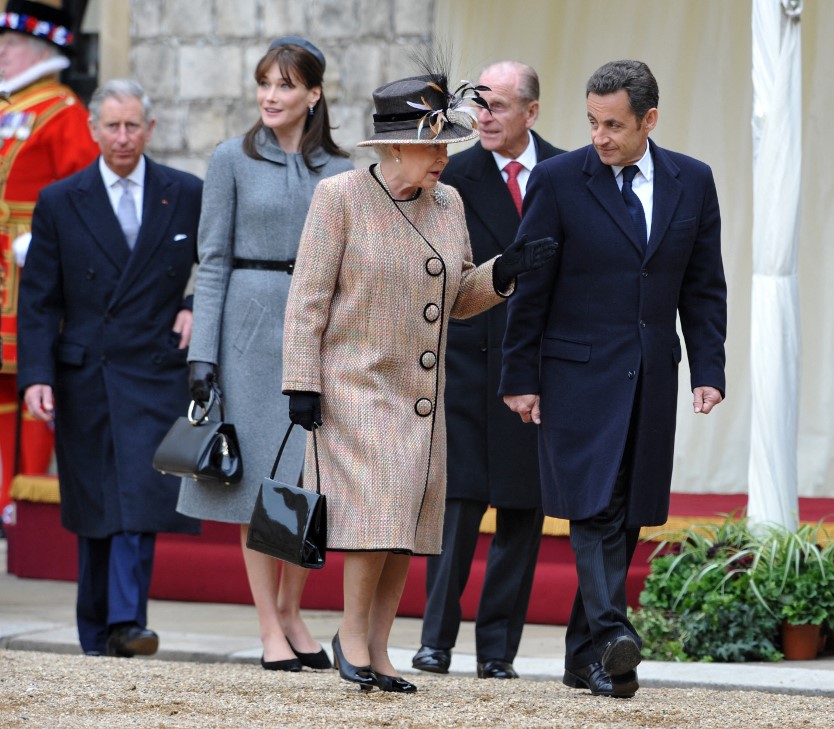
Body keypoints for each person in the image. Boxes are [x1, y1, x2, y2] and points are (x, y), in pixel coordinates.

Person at [281, 69, 557, 693]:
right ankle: (350, 639)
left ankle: (379, 652)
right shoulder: (340, 197)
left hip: (419, 394)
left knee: (404, 524)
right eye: (432, 145)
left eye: (446, 146)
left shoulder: (448, 203)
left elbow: (459, 296)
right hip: (351, 384)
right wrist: (301, 382)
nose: (443, 158)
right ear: (393, 147)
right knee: (377, 516)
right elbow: (306, 301)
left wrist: (503, 270)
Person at [499, 60, 727, 699]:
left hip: (652, 375)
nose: (600, 137)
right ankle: (612, 631)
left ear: (649, 120)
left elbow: (703, 286)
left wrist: (709, 368)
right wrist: (520, 375)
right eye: (593, 122)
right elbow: (530, 288)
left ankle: (584, 659)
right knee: (593, 508)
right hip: (575, 376)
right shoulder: (557, 180)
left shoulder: (694, 181)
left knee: (627, 513)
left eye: (614, 125)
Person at [176, 36, 352, 673]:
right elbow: (213, 262)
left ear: (314, 93)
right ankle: (268, 626)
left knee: (302, 482)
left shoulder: (342, 170)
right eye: (265, 83)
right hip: (247, 334)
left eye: (285, 85)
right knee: (255, 484)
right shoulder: (230, 159)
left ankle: (292, 611)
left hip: (319, 336)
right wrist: (203, 356)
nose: (271, 96)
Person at [16, 78, 203, 657]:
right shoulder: (59, 200)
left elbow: (219, 266)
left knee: (138, 498)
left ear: (150, 129)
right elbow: (40, 299)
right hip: (85, 375)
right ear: (93, 131)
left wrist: (196, 309)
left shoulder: (185, 192)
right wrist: (36, 376)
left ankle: (126, 622)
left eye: (132, 126)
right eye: (111, 126)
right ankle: (97, 630)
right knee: (97, 504)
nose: (122, 137)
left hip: (153, 369)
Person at [412, 60, 564, 681]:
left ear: (531, 111)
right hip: (467, 363)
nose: (484, 117)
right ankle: (435, 643)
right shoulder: (454, 173)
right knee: (457, 511)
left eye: (499, 106)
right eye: (480, 105)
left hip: (535, 368)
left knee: (523, 515)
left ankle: (498, 651)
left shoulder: (564, 171)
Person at [0, 0, 98, 525]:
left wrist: (41, 245)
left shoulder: (64, 113)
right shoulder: (8, 107)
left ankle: (27, 498)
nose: (1, 53)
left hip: (29, 271)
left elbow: (82, 195)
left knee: (33, 375)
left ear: (39, 48)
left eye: (10, 44)